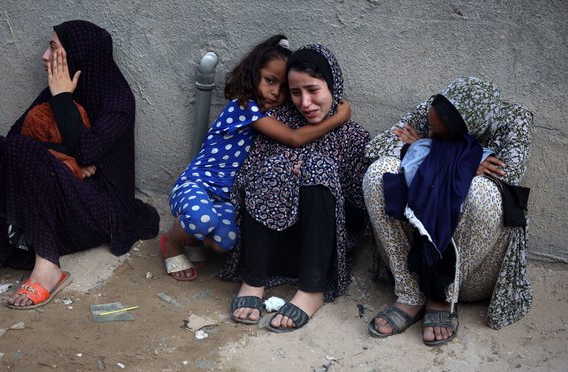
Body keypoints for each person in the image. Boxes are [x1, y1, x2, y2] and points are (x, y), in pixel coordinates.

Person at [0, 20, 160, 308]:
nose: (44, 55)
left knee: (21, 150)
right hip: (61, 195)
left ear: (77, 55)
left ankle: (48, 266)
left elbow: (88, 152)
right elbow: (15, 137)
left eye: (53, 48)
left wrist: (63, 99)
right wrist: (63, 156)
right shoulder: (55, 90)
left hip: (99, 209)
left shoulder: (117, 101)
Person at [162, 35, 351, 281]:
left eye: (284, 89)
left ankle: (194, 234)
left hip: (226, 197)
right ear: (253, 74)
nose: (274, 92)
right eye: (269, 81)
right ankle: (172, 242)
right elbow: (294, 138)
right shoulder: (244, 108)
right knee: (202, 218)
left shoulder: (270, 114)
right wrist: (339, 116)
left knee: (226, 243)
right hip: (198, 184)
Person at [363, 77, 533, 345]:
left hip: (473, 270)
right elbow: (380, 146)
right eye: (428, 129)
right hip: (413, 261)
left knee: (481, 192)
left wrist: (430, 152)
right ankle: (411, 294)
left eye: (439, 135)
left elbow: (505, 177)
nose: (429, 132)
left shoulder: (514, 120)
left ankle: (441, 299)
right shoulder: (439, 107)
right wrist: (458, 161)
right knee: (378, 173)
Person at [221, 44, 370, 332]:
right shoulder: (278, 124)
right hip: (273, 247)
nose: (305, 102)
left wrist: (318, 179)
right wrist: (287, 171)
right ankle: (253, 281)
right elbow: (245, 185)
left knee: (317, 168)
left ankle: (311, 291)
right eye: (295, 92)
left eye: (313, 90)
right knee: (278, 165)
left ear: (333, 85)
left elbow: (358, 217)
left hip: (322, 251)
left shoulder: (354, 137)